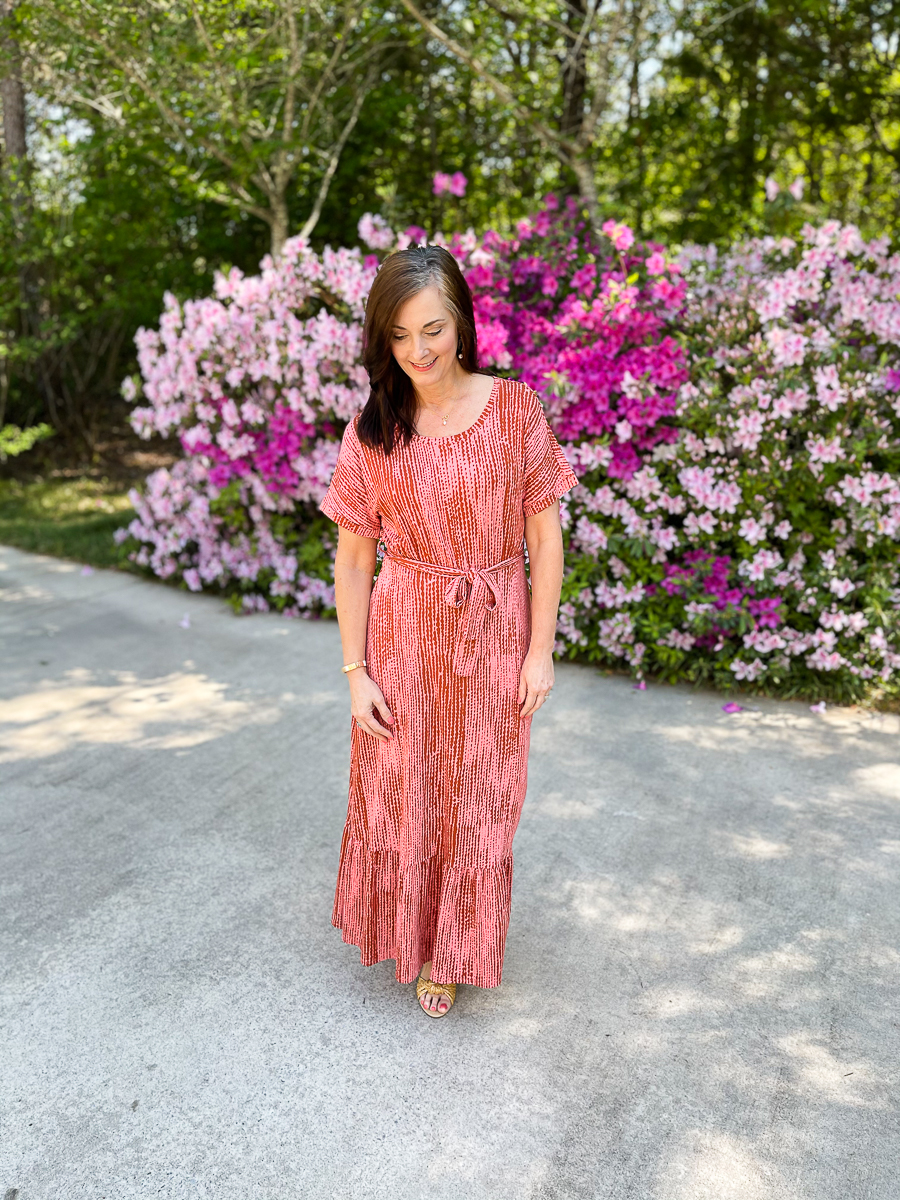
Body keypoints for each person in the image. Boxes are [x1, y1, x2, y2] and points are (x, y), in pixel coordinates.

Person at [319, 244, 577, 1018]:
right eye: (399, 336)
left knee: (484, 797)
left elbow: (544, 539)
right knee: (405, 792)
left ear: (462, 322)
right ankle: (412, 932)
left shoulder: (515, 409)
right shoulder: (372, 430)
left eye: (431, 329)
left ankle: (455, 947)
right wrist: (356, 672)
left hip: (494, 630)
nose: (418, 352)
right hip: (403, 636)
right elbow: (354, 558)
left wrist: (540, 651)